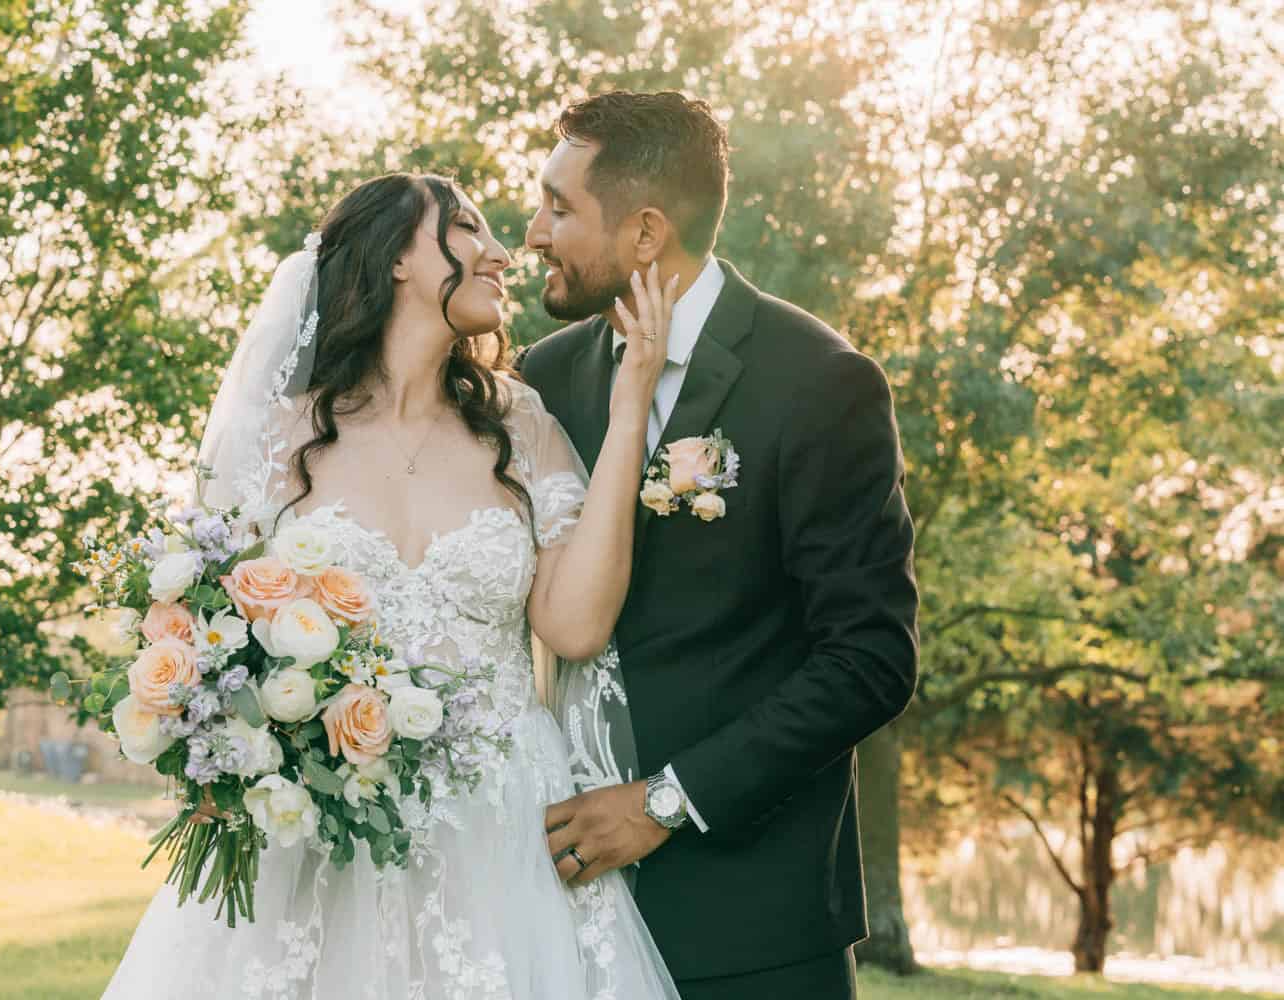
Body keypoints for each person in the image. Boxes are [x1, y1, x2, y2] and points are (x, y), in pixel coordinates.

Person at [102, 172, 684, 998]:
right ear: (397, 261)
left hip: (501, 829)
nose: (501, 253)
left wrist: (631, 411)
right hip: (324, 830)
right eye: (467, 229)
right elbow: (208, 635)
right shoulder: (282, 433)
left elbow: (577, 628)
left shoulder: (522, 427)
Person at [517, 90, 920, 1000]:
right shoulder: (542, 381)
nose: (534, 232)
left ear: (646, 232)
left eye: (559, 206)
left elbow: (871, 658)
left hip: (749, 925)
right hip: (556, 906)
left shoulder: (819, 383)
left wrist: (666, 801)